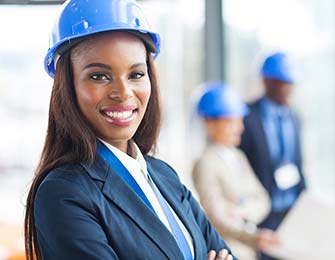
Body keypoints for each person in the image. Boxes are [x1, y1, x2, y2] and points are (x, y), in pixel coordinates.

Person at [24, 1, 235, 260]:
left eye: (136, 74)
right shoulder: (63, 193)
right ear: (68, 87)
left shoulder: (163, 175)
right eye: (99, 76)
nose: (123, 93)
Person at [192, 82, 280, 260]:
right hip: (227, 251)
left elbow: (263, 199)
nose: (240, 127)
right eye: (232, 121)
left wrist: (241, 211)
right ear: (210, 122)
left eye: (240, 120)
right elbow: (217, 217)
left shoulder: (239, 156)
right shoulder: (205, 163)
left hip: (248, 251)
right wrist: (253, 236)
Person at [239, 52, 306, 260]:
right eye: (283, 83)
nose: (289, 89)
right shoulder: (246, 116)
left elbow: (297, 162)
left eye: (291, 83)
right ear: (267, 82)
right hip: (262, 213)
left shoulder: (294, 117)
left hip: (291, 211)